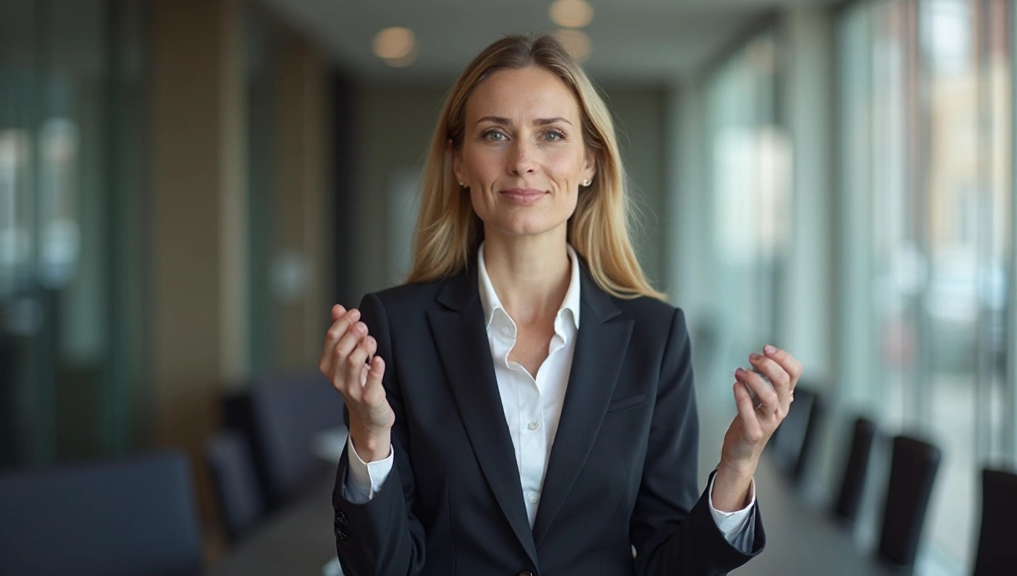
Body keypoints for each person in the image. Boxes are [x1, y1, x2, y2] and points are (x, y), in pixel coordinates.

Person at [319, 34, 802, 576]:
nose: (524, 161)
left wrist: (737, 466)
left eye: (551, 134)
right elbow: (385, 569)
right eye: (494, 134)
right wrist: (369, 436)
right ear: (458, 162)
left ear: (590, 163)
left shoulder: (653, 334)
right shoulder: (395, 328)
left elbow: (668, 563)